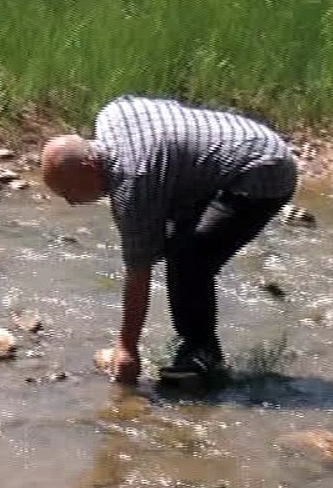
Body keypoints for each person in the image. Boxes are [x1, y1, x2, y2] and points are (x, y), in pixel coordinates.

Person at [40, 95, 298, 385]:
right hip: (243, 140)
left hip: (264, 172)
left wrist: (127, 348)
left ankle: (202, 354)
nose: (72, 203)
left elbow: (139, 271)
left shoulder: (134, 184)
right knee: (178, 241)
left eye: (69, 192)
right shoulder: (111, 114)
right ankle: (192, 339)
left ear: (88, 167)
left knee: (189, 257)